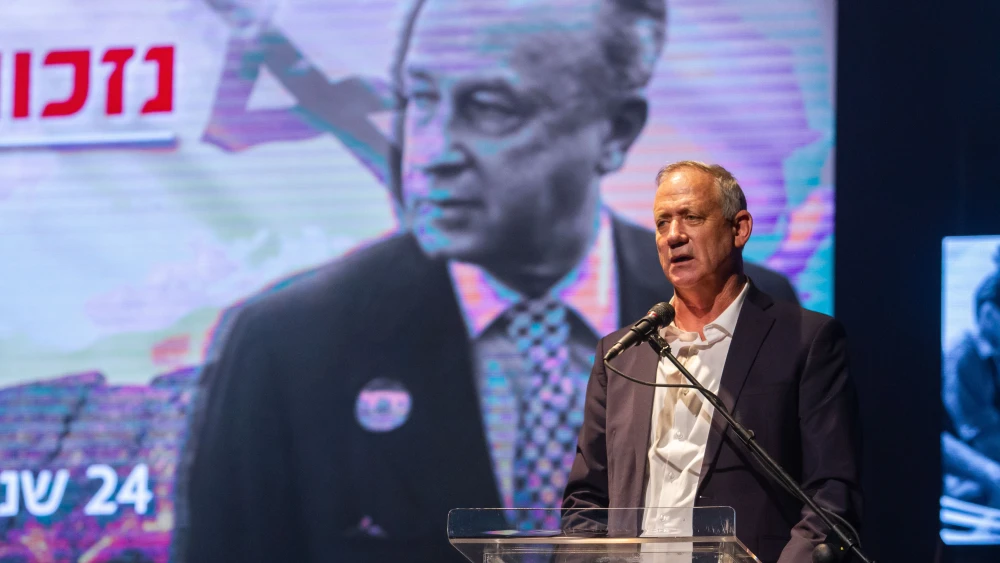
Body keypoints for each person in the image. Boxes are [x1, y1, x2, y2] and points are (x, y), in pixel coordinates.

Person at [175, 2, 801, 562]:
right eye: (421, 100)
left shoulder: (744, 312)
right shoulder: (288, 345)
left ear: (614, 132)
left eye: (489, 109)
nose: (431, 152)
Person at [562, 161, 862, 563]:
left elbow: (831, 493)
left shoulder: (805, 341)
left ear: (739, 229)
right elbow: (586, 499)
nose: (673, 235)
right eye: (662, 222)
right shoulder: (621, 354)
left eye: (691, 217)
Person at [942, 262, 1000, 507]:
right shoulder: (964, 355)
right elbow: (979, 434)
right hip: (966, 478)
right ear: (988, 314)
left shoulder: (994, 355)